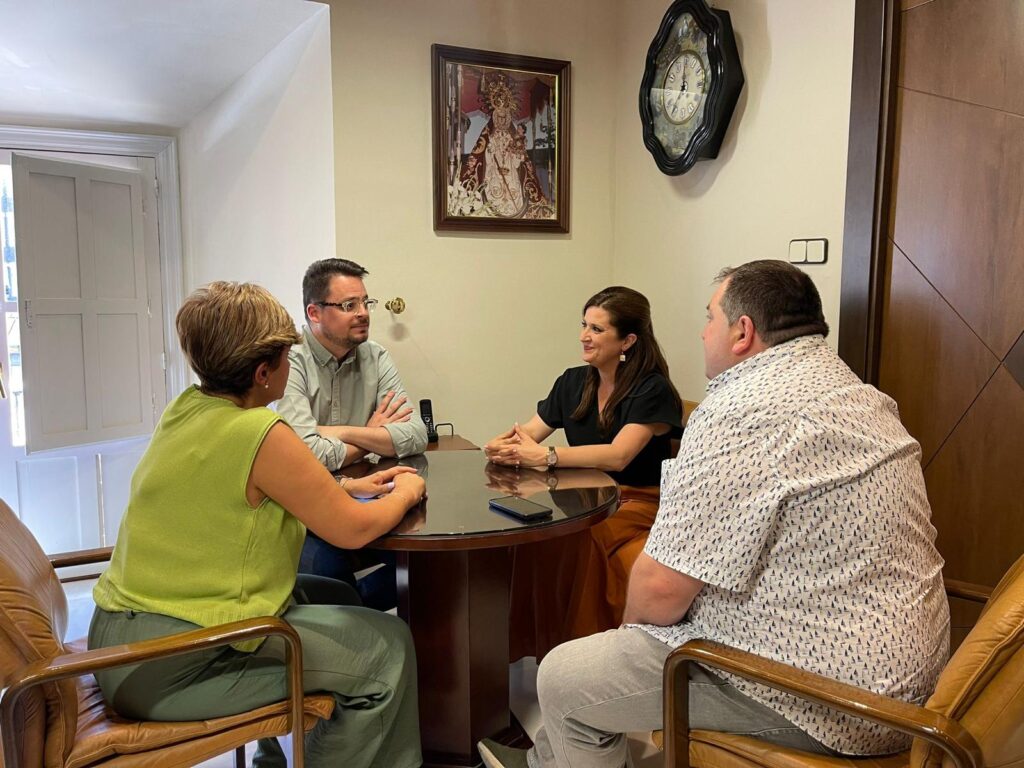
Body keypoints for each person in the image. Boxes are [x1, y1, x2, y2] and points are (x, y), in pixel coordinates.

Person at [477, 260, 950, 768]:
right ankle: (541, 763)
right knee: (590, 668)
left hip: (826, 699)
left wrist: (629, 642)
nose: (702, 334)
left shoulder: (740, 411)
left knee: (564, 676)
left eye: (708, 319)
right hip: (908, 679)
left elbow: (659, 593)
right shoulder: (861, 396)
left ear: (742, 331)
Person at [88, 282, 426, 768]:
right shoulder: (260, 430)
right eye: (287, 357)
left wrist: (341, 489)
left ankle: (280, 756)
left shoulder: (187, 408)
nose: (291, 368)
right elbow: (352, 531)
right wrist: (408, 492)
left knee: (338, 594)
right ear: (265, 372)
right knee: (388, 651)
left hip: (122, 642)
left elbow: (227, 494)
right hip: (177, 662)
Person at [485, 286, 683, 659]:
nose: (583, 336)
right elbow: (529, 432)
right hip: (580, 495)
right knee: (531, 533)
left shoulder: (651, 388)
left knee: (577, 536)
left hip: (635, 499)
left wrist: (546, 456)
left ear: (627, 340)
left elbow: (619, 456)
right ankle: (530, 646)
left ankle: (582, 655)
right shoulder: (573, 381)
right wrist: (505, 444)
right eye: (583, 325)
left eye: (596, 329)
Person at [277, 258, 428, 610]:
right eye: (349, 305)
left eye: (365, 303)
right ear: (314, 313)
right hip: (306, 509)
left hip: (366, 494)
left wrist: (344, 432)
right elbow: (306, 453)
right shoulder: (291, 360)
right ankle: (350, 631)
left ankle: (365, 622)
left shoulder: (375, 356)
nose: (363, 313)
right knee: (326, 578)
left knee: (429, 563)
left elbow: (415, 434)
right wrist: (372, 435)